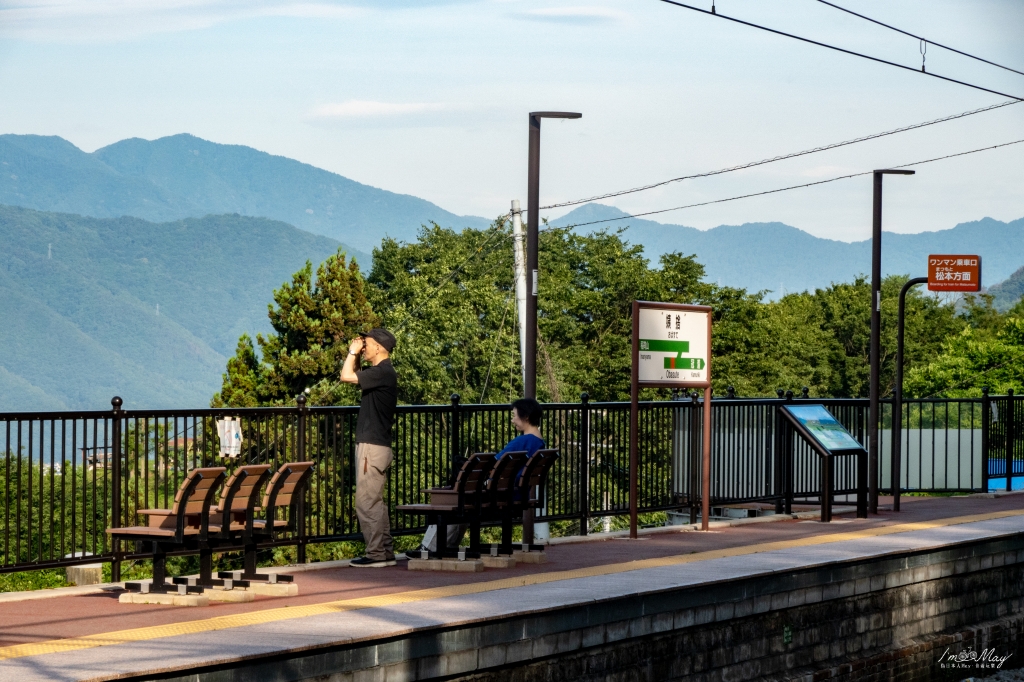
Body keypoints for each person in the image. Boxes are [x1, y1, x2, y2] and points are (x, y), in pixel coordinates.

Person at [421, 398, 545, 553]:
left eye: (514, 415)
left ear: (525, 417)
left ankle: (429, 547)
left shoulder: (522, 441)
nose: (512, 420)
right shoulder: (540, 443)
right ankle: (446, 545)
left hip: (503, 496)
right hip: (518, 494)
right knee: (464, 500)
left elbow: (493, 462)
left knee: (453, 500)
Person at [340, 328, 398, 568]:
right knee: (376, 501)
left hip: (371, 447)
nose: (364, 348)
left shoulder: (381, 372)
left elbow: (346, 376)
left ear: (378, 348)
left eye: (367, 344)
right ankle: (384, 550)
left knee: (366, 502)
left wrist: (352, 353)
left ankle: (375, 554)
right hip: (378, 445)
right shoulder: (384, 373)